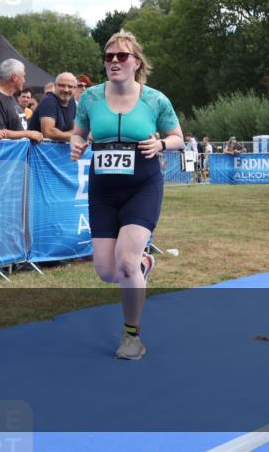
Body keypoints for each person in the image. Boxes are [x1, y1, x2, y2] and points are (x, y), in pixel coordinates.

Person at [70, 30, 183, 361]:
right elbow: (78, 133)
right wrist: (76, 143)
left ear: (137, 63)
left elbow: (177, 136)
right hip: (103, 191)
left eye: (122, 56)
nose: (114, 62)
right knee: (106, 271)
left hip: (142, 186)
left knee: (126, 261)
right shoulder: (90, 98)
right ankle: (145, 264)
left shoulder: (155, 99)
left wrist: (161, 144)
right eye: (109, 57)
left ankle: (132, 336)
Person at [0, 59, 43, 142]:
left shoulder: (11, 97)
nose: (24, 80)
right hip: (9, 153)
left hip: (20, 152)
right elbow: (0, 132)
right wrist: (28, 134)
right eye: (23, 76)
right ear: (14, 77)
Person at [33, 72, 77, 141]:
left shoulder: (72, 102)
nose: (66, 90)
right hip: (40, 150)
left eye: (70, 86)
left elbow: (75, 129)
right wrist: (73, 136)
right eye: (62, 85)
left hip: (57, 150)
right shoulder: (49, 101)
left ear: (75, 89)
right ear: (55, 86)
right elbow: (48, 132)